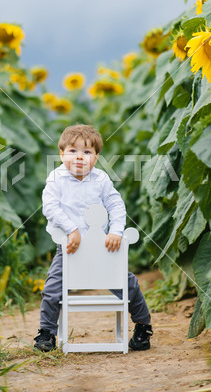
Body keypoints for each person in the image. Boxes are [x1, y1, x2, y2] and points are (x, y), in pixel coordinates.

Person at [34, 124, 153, 351]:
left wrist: (116, 230)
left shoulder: (101, 180)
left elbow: (116, 205)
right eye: (73, 151)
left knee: (128, 285)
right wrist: (72, 229)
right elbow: (50, 207)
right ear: (61, 154)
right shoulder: (56, 178)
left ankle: (142, 326)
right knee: (52, 289)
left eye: (87, 152)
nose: (79, 157)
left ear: (96, 157)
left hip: (103, 250)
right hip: (69, 249)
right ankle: (46, 333)